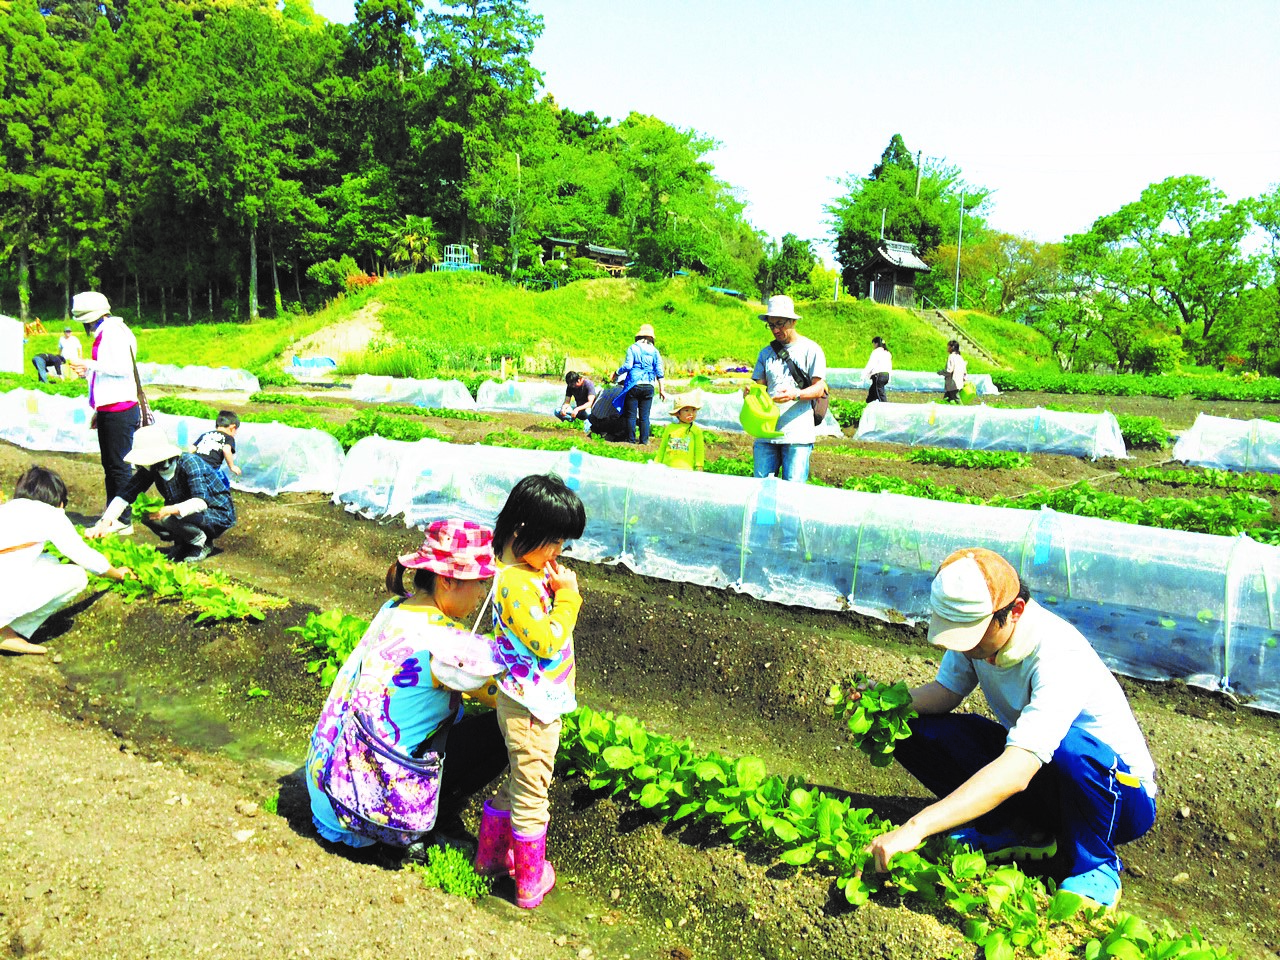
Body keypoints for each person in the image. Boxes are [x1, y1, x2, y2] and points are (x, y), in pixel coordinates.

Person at [864, 547, 1157, 909]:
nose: (967, 648)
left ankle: (1096, 863)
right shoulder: (978, 634)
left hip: (1117, 799)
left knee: (1068, 748)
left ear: (1014, 611)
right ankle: (1020, 829)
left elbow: (1018, 771)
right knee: (911, 728)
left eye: (973, 637)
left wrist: (916, 827)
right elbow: (945, 693)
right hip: (1044, 776)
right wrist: (882, 703)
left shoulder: (1058, 655)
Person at [305, 519, 510, 860]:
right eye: (479, 583)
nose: (480, 595)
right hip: (363, 808)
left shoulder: (395, 608)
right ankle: (430, 821)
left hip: (326, 786)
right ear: (447, 580)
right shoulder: (444, 642)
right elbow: (505, 696)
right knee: (501, 729)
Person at [473, 474, 586, 909]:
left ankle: (491, 859)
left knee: (522, 780)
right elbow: (545, 640)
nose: (557, 552)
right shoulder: (518, 583)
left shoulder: (524, 570)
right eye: (553, 541)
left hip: (529, 699)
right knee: (534, 791)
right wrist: (568, 599)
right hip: (531, 705)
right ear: (522, 532)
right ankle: (528, 883)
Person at [0, 465, 132, 655]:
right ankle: (9, 632)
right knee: (78, 576)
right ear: (59, 502)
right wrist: (118, 574)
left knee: (50, 560)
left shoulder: (7, 508)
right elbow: (85, 557)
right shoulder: (51, 515)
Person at [85, 424, 236, 564]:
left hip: (217, 512)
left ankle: (202, 543)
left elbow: (201, 501)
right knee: (148, 516)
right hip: (187, 513)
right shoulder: (152, 469)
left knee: (168, 518)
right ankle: (184, 543)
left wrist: (169, 510)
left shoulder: (190, 463)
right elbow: (125, 495)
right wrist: (105, 523)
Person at [67, 291, 140, 520]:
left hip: (120, 408)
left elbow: (122, 368)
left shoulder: (113, 333)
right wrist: (88, 371)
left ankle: (123, 518)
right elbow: (107, 371)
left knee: (119, 466)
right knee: (110, 465)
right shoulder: (108, 331)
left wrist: (89, 363)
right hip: (110, 407)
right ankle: (112, 515)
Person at [748, 295, 827, 483]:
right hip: (766, 433)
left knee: (792, 493)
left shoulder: (811, 349)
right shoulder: (766, 353)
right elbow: (759, 387)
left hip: (797, 434)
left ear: (793, 321)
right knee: (761, 490)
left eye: (780, 324)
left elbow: (819, 388)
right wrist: (750, 392)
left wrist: (796, 394)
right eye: (771, 325)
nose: (775, 329)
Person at [615, 324, 665, 444]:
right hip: (649, 385)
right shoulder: (655, 351)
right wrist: (662, 389)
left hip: (634, 384)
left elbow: (628, 366)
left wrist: (616, 372)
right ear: (651, 338)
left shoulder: (633, 348)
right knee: (644, 416)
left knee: (631, 415)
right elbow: (659, 372)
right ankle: (644, 441)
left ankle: (631, 439)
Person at [654, 392, 706, 471]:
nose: (691, 413)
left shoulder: (696, 430)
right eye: (686, 410)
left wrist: (699, 465)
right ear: (678, 413)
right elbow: (663, 447)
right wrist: (657, 463)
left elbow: (699, 450)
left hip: (686, 469)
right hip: (667, 468)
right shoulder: (670, 428)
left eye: (694, 410)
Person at [193, 410, 242, 481]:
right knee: (224, 482)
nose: (235, 433)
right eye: (236, 430)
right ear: (232, 428)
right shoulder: (228, 438)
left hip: (196, 465)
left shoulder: (206, 434)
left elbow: (192, 448)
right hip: (210, 468)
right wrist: (232, 466)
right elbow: (226, 450)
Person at [863, 335, 892, 404]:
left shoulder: (876, 352)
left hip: (878, 376)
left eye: (874, 344)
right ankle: (867, 404)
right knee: (872, 393)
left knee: (880, 394)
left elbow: (871, 365)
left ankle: (884, 409)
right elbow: (889, 366)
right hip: (886, 375)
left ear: (876, 344)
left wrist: (864, 375)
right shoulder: (887, 353)